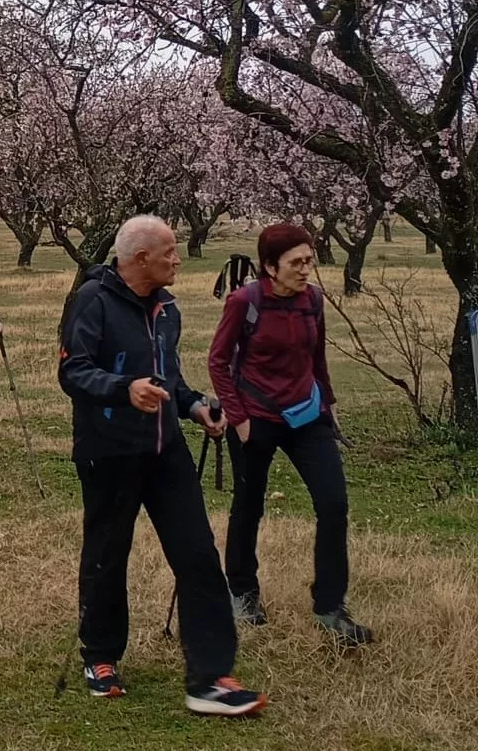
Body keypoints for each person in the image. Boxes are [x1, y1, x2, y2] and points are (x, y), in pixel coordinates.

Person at [60, 214, 266, 716]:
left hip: (164, 450)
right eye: (170, 251)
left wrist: (195, 406)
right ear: (139, 259)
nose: (179, 258)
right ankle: (101, 656)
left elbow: (167, 377)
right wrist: (123, 388)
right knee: (108, 554)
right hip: (108, 449)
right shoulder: (93, 300)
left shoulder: (168, 309)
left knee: (197, 554)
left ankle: (211, 677)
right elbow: (73, 370)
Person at [209, 223, 372, 646]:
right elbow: (218, 361)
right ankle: (243, 593)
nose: (306, 269)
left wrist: (329, 404)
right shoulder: (244, 302)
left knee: (334, 503)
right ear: (269, 266)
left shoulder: (312, 301)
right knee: (249, 507)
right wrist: (239, 418)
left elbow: (317, 356)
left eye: (309, 260)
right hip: (256, 417)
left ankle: (331, 605)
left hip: (307, 416)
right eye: (296, 262)